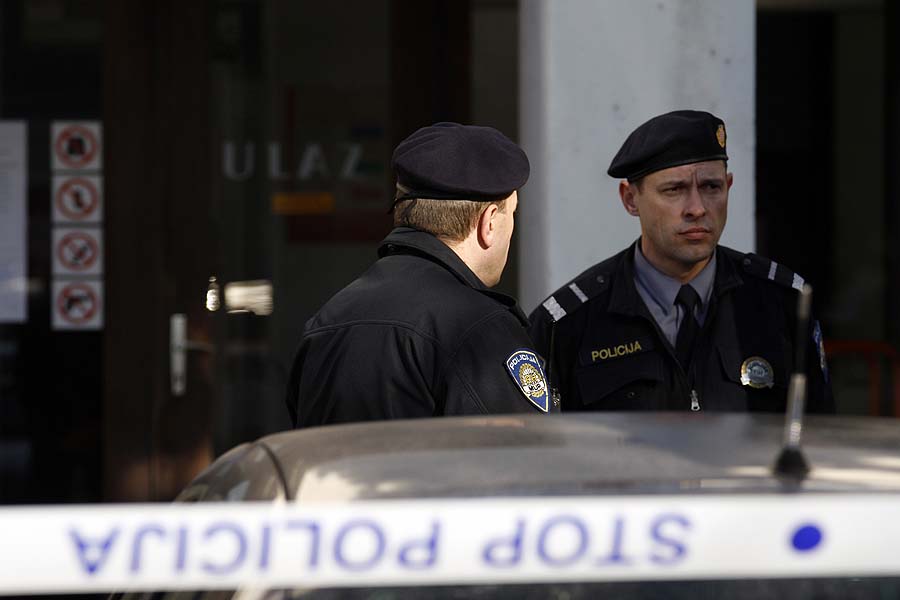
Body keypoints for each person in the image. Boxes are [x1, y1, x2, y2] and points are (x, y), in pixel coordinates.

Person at [528, 110, 834, 413]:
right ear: (630, 199)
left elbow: (819, 438)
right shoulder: (567, 323)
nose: (697, 208)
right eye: (674, 189)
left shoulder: (782, 303)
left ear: (728, 186)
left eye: (711, 187)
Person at [286, 122, 558, 427]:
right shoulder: (479, 327)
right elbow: (524, 459)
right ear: (489, 223)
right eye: (512, 213)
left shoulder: (329, 319)